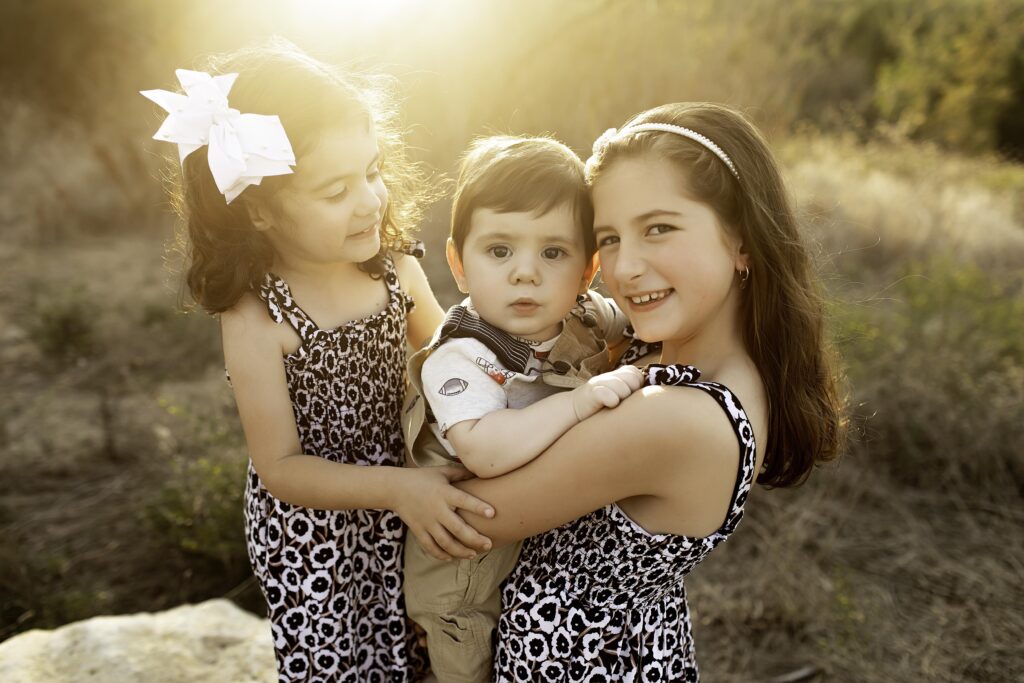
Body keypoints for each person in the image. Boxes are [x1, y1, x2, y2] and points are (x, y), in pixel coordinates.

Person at [450, 103, 846, 681]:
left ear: (742, 241)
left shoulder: (679, 419)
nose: (626, 267)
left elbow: (477, 514)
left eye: (658, 228)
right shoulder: (666, 357)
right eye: (608, 238)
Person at [141, 41, 496, 682]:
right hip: (319, 541)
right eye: (336, 190)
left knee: (433, 646)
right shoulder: (256, 316)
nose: (370, 201)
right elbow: (280, 468)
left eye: (373, 170)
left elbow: (453, 362)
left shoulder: (393, 268)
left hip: (414, 498)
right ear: (259, 208)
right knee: (349, 666)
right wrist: (396, 489)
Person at [400, 135, 641, 682]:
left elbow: (636, 329)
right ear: (459, 264)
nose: (525, 272)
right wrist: (579, 403)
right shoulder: (461, 355)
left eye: (553, 253)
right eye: (499, 251)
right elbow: (485, 450)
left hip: (537, 538)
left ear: (587, 269)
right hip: (465, 574)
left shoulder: (582, 315)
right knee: (470, 669)